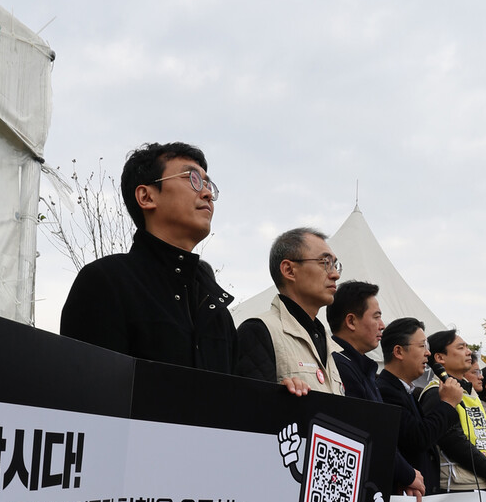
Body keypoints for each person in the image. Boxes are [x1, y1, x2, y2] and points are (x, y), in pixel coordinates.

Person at [60, 142, 235, 372]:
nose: (207, 193)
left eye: (207, 183)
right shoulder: (106, 282)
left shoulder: (214, 304)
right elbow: (85, 392)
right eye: (192, 179)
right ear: (146, 196)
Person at [327, 282, 423, 502]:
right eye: (376, 317)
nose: (382, 325)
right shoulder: (339, 366)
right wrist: (407, 474)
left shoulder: (363, 368)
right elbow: (365, 431)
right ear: (351, 321)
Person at [236, 227, 343, 396]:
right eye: (325, 263)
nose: (335, 274)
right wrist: (283, 399)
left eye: (335, 265)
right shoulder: (259, 331)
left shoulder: (329, 344)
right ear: (289, 270)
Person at [419, 330, 486, 500]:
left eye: (468, 347)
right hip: (456, 488)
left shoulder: (471, 392)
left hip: (482, 483)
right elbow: (452, 441)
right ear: (439, 358)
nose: (469, 352)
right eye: (461, 348)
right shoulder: (435, 392)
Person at [377, 318, 463, 497]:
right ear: (399, 351)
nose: (428, 353)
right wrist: (447, 404)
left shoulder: (406, 390)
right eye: (422, 346)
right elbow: (418, 438)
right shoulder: (386, 390)